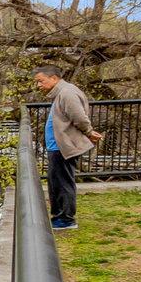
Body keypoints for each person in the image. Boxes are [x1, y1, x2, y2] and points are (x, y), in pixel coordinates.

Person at [33, 65, 103, 231]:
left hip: (62, 147)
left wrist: (89, 131)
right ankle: (58, 217)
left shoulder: (67, 93)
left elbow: (78, 116)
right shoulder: (61, 93)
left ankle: (65, 220)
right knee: (55, 182)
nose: (38, 85)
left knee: (63, 182)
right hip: (56, 146)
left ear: (54, 78)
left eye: (41, 81)